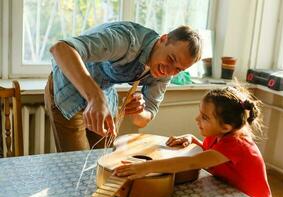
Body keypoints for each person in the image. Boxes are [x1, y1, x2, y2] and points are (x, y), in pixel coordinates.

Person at [44, 21, 202, 152]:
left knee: (101, 160)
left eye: (178, 69)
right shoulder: (127, 40)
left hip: (102, 92)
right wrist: (95, 97)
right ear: (163, 39)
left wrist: (139, 111)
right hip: (68, 86)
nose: (169, 70)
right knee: (75, 165)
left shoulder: (166, 72)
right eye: (171, 58)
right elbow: (60, 48)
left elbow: (144, 118)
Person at [114, 86, 272, 197]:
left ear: (226, 127)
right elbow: (209, 154)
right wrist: (192, 138)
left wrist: (146, 167)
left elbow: (192, 163)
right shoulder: (219, 134)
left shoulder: (236, 143)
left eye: (204, 117)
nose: (197, 119)